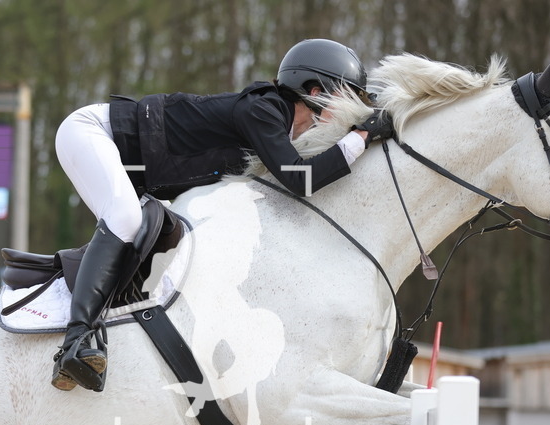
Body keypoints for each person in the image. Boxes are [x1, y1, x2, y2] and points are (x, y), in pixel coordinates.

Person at [51, 38, 389, 392]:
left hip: (131, 167)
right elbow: (300, 179)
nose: (353, 109)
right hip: (92, 133)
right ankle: (74, 344)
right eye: (346, 96)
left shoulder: (279, 128)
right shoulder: (265, 111)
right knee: (124, 219)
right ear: (315, 92)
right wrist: (361, 137)